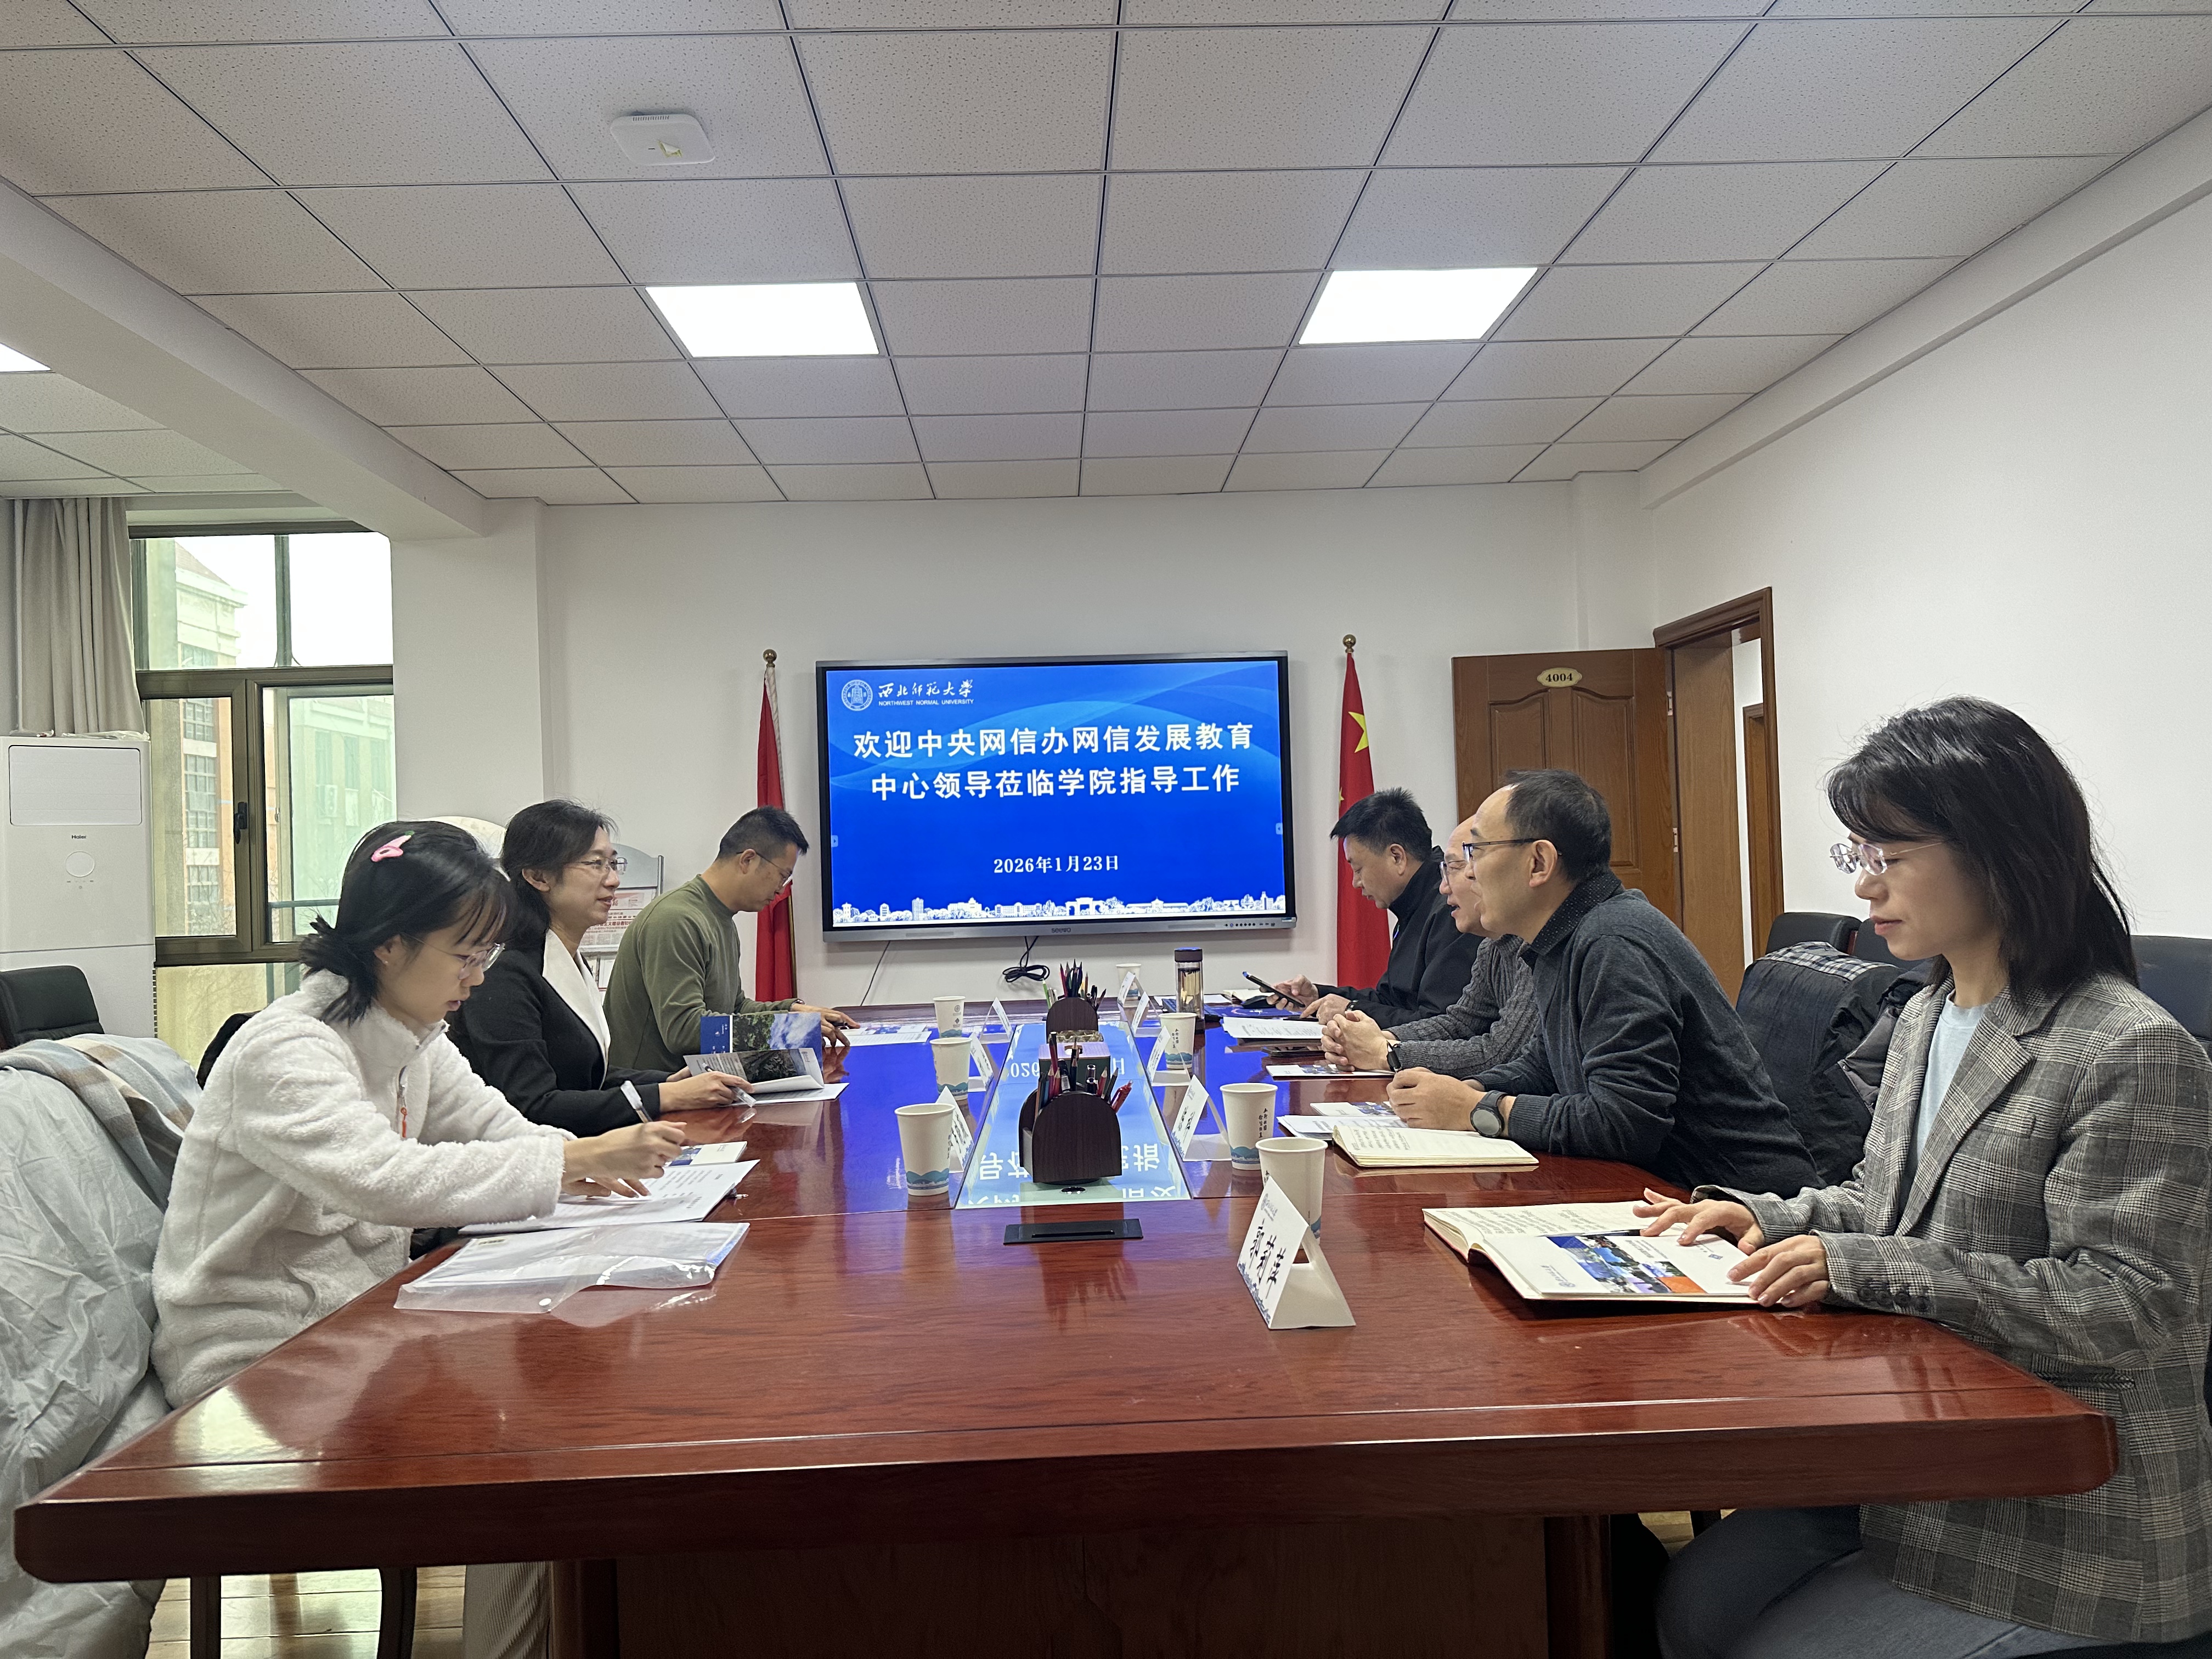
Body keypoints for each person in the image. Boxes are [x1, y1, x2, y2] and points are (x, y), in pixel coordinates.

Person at [1641, 698, 2212, 1659]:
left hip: (2067, 1516)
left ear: (2000, 851)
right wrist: (1760, 1217)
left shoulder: (2128, 1047)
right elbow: (1885, 1202)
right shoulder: (1926, 1011)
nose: (1863, 883)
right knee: (1696, 1599)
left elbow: (2129, 1301)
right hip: (1924, 1451)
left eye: (1887, 853)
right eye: (1856, 852)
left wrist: (1862, 1266)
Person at [150, 821, 683, 1659]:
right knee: (529, 1445)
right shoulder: (287, 1047)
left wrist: (583, 1170)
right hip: (255, 1355)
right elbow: (384, 1178)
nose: (478, 977)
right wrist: (573, 1159)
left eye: (485, 955)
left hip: (352, 1324)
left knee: (556, 1402)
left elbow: (499, 1131)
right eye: (464, 956)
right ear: (390, 946)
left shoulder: (413, 1035)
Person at [1388, 769, 1816, 1198]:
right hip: (1666, 1192)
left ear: (1539, 863)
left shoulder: (1614, 943)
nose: (1468, 874)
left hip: (1741, 1207)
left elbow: (1625, 1123)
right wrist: (1469, 1090)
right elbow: (1545, 1065)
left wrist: (1478, 1110)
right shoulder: (1562, 939)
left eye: (1477, 851)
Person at [449, 800, 746, 1133]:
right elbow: (532, 1106)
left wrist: (668, 1082)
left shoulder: (567, 958)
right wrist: (665, 1095)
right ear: (538, 876)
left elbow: (587, 1076)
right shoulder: (505, 975)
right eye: (596, 864)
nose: (614, 880)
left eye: (613, 863)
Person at [605, 805, 854, 1074]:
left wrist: (792, 1011)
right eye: (782, 876)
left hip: (699, 1082)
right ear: (748, 860)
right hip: (653, 1090)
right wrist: (787, 1029)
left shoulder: (721, 919)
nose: (781, 890)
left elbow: (735, 1008)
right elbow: (683, 1030)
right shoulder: (675, 919)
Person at [1319, 809, 1540, 1080]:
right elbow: (1460, 1023)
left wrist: (1385, 1051)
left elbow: (1501, 1053)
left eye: (1457, 867)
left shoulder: (1548, 946)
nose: (1444, 887)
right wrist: (1379, 1038)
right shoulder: (1494, 944)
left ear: (1536, 864)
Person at [1269, 788, 1479, 1026]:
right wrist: (1320, 996)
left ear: (1397, 857)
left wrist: (1350, 1009)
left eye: (1358, 869)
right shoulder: (1412, 903)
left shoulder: (1452, 911)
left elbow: (1439, 1023)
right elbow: (1392, 1000)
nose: (1355, 882)